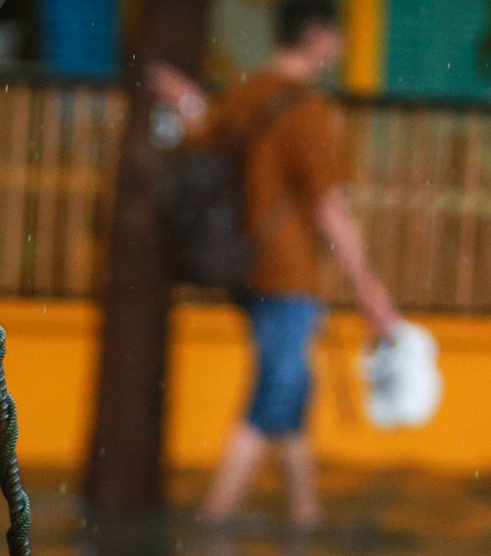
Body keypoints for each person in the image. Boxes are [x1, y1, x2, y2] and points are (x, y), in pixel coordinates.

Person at [152, 0, 404, 529]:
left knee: (294, 387)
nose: (337, 47)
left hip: (243, 265)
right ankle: (214, 520)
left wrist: (190, 103)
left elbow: (204, 142)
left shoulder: (248, 94)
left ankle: (304, 512)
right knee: (276, 389)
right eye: (335, 35)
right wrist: (369, 288)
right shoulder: (306, 110)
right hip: (288, 274)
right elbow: (330, 207)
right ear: (316, 37)